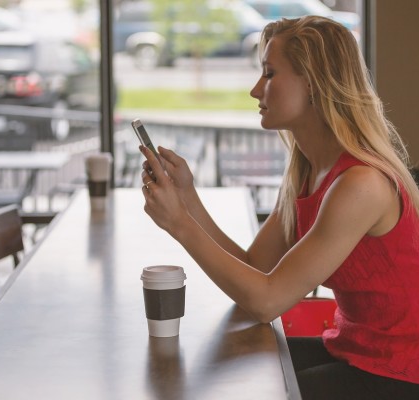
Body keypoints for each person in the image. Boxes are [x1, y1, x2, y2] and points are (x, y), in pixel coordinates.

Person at [139, 15, 419, 400]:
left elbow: (266, 302)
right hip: (353, 351)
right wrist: (188, 199)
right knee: (227, 368)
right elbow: (258, 270)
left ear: (314, 84)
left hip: (399, 375)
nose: (256, 90)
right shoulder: (308, 172)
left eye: (269, 74)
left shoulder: (360, 184)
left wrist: (180, 225)